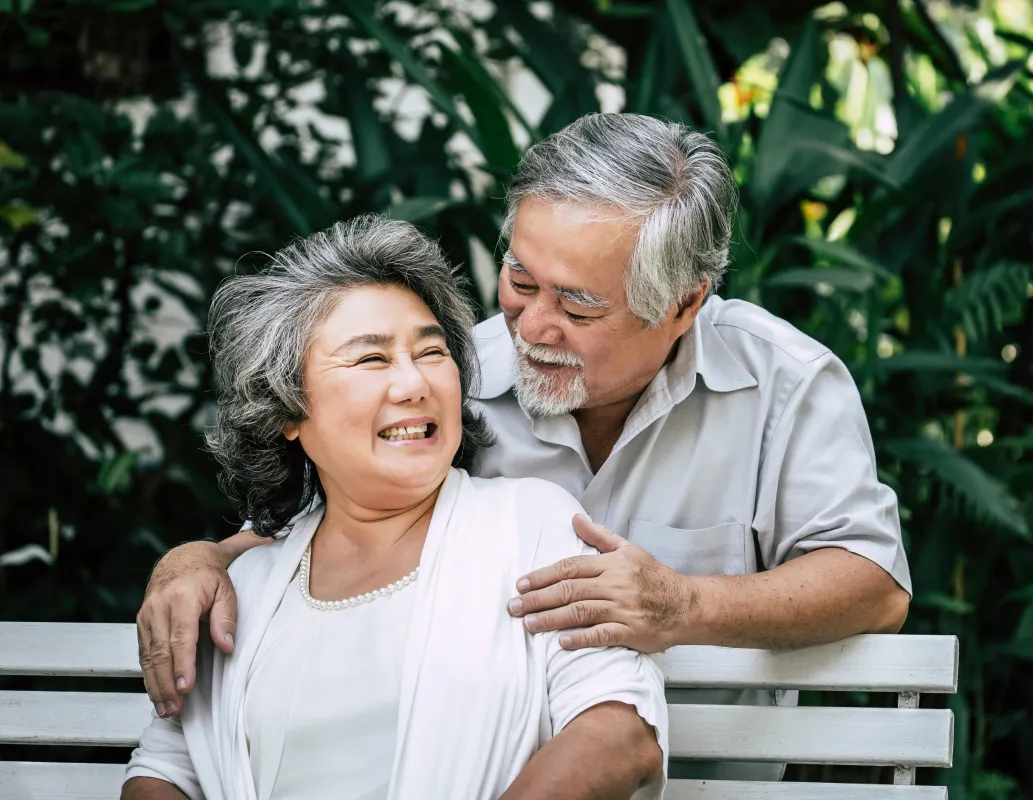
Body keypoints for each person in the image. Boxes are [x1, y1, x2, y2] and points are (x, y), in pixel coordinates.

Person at [137, 113, 912, 781]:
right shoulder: (448, 378)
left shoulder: (785, 381)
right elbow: (316, 524)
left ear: (682, 305)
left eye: (577, 303)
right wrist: (202, 558)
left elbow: (875, 585)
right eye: (519, 277)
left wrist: (683, 605)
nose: (532, 325)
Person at [122, 216, 666, 799]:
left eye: (432, 352)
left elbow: (617, 727)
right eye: (371, 360)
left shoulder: (531, 526)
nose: (414, 384)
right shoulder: (243, 589)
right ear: (286, 410)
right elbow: (165, 770)